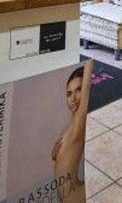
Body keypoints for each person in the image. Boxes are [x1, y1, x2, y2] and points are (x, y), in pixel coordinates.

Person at [51, 60, 93, 203]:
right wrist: (55, 155)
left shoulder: (80, 118)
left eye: (79, 90)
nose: (73, 98)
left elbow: (88, 71)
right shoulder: (71, 123)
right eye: (69, 93)